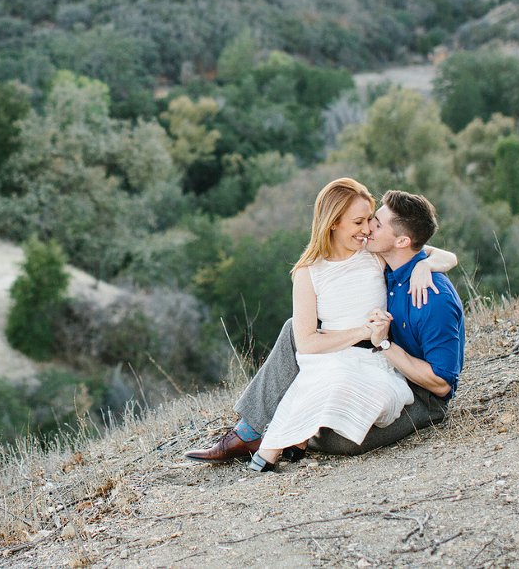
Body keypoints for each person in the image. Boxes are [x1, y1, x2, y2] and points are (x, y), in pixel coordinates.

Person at [186, 183, 464, 469]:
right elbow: (307, 341)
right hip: (358, 357)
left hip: (398, 375)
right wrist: (364, 332)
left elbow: (430, 251)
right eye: (361, 222)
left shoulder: (384, 260)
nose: (368, 228)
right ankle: (249, 432)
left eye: (372, 221)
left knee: (344, 441)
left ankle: (290, 431)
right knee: (293, 329)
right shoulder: (334, 264)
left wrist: (424, 265)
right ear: (333, 224)